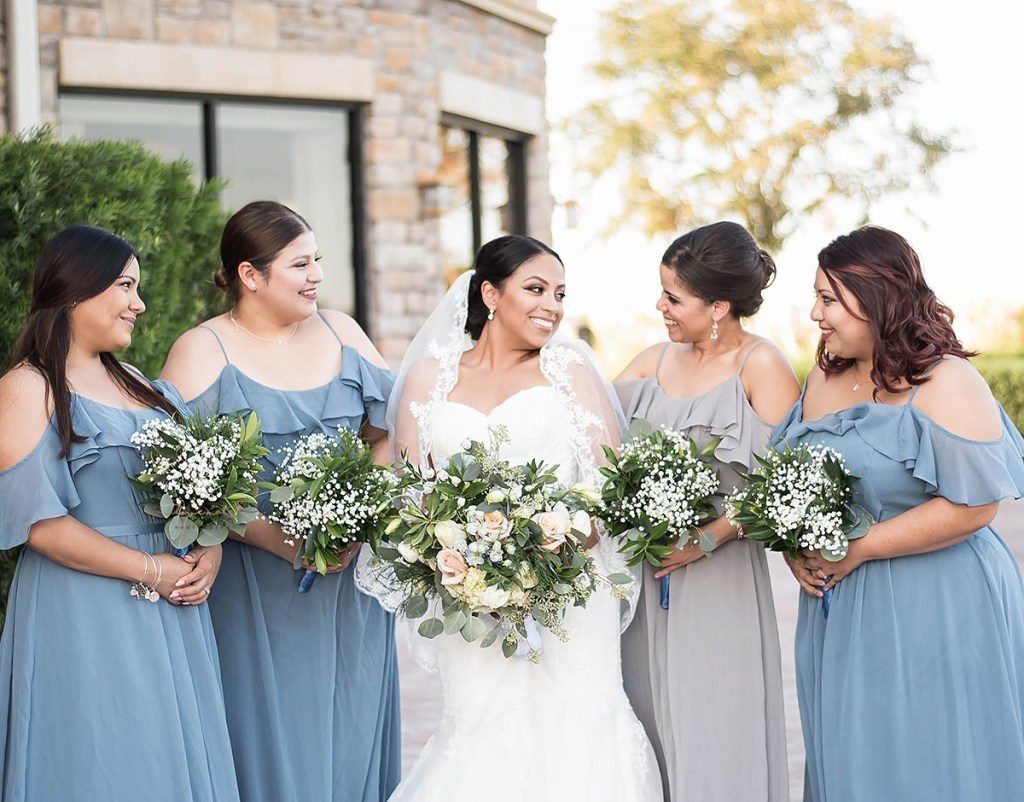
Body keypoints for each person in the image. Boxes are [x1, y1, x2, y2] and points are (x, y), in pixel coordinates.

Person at [358, 235, 663, 801]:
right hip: (466, 598)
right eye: (536, 289)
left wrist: (539, 560)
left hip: (570, 591)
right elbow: (410, 498)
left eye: (560, 293)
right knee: (480, 724)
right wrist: (469, 569)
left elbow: (604, 486)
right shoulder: (429, 378)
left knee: (578, 723)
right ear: (490, 293)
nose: (552, 305)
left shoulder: (571, 373)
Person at [160, 201, 400, 802]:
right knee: (267, 731)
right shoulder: (202, 350)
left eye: (317, 259)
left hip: (349, 584)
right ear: (250, 275)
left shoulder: (343, 331)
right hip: (253, 588)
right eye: (300, 263)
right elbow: (178, 478)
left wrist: (358, 514)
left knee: (350, 726)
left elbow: (388, 437)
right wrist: (270, 534)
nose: (316, 274)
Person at [777, 225, 1024, 801]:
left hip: (937, 597)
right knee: (851, 752)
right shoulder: (824, 376)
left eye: (828, 298)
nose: (816, 314)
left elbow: (974, 507)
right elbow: (793, 484)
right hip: (841, 605)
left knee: (932, 751)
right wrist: (794, 546)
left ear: (878, 297)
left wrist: (855, 548)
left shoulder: (945, 379)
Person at [0, 225, 237, 801]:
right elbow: (38, 525)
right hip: (85, 604)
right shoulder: (27, 386)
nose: (140, 303)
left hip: (172, 602)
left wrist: (211, 546)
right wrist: (150, 569)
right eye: (126, 287)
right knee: (103, 757)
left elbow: (196, 490)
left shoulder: (134, 382)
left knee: (170, 760)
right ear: (77, 291)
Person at [616, 221, 795, 801]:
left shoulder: (761, 365)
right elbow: (587, 437)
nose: (660, 306)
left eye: (674, 297)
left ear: (719, 305)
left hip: (720, 578)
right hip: (645, 577)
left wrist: (707, 538)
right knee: (646, 717)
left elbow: (791, 482)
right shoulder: (651, 361)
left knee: (717, 721)